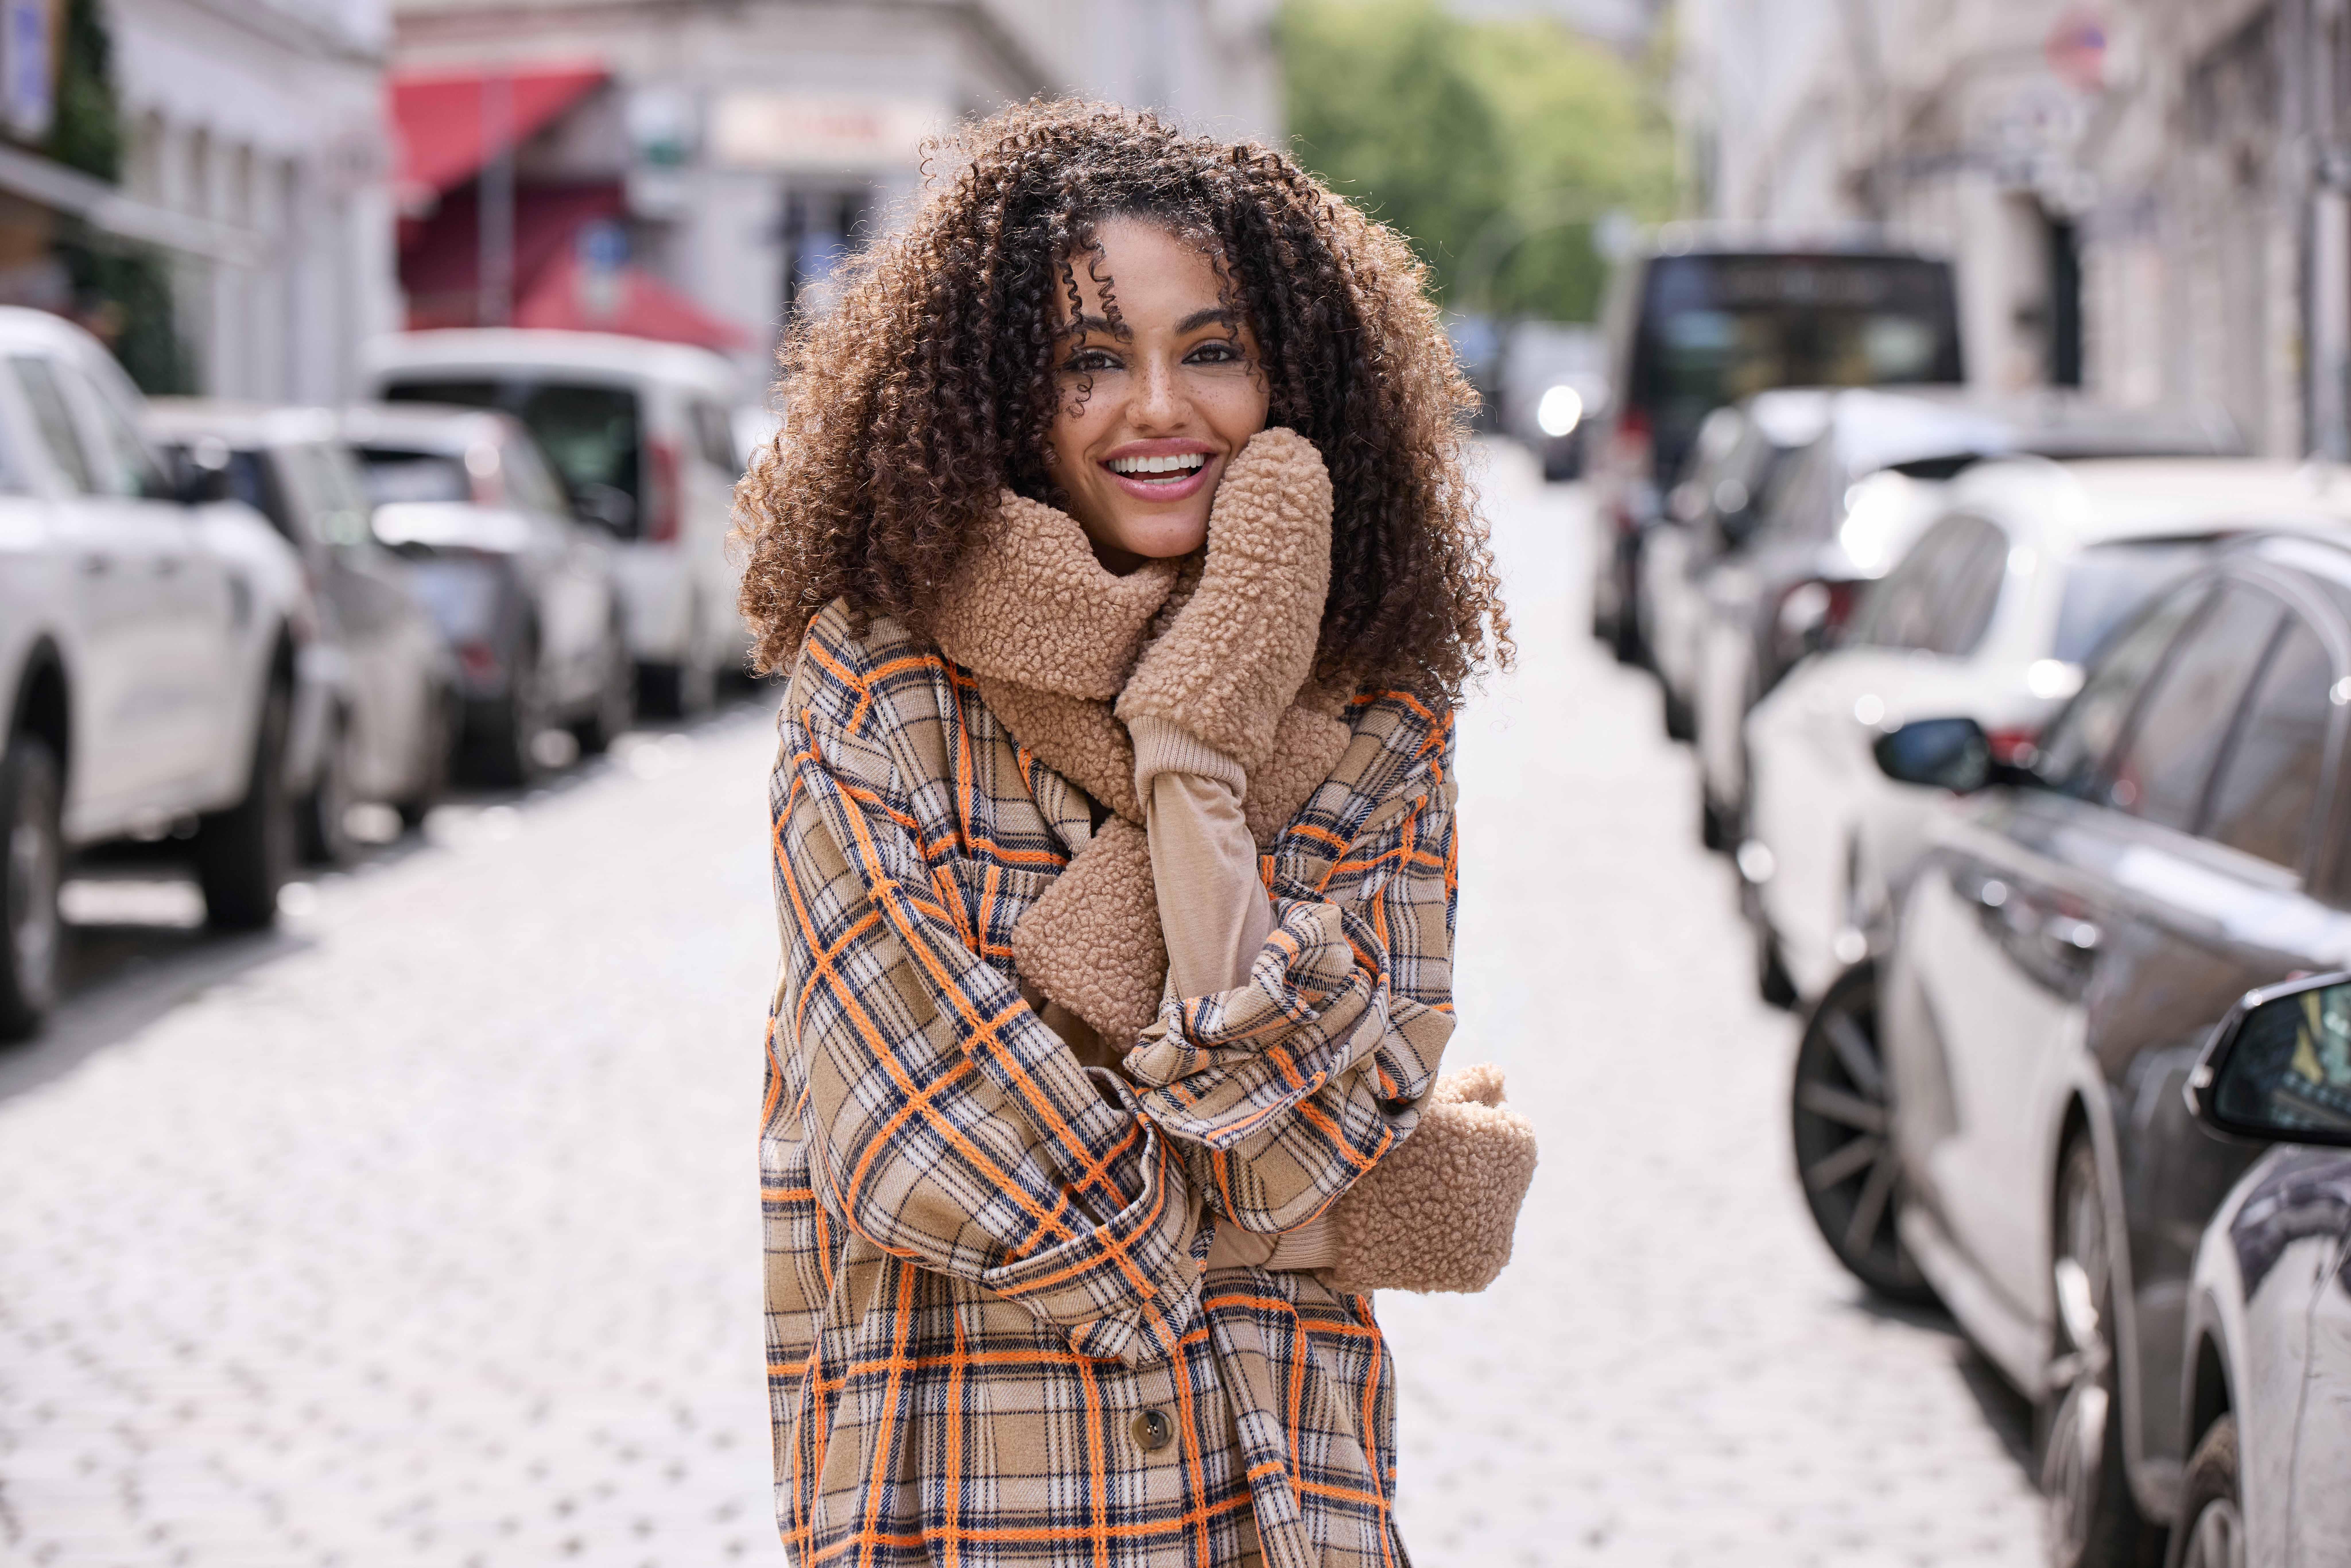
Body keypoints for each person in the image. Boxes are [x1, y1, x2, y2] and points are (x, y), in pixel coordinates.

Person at [734, 100, 1535, 1568]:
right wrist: (1313, 1219)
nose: (1157, 406)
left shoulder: (1376, 712)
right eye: (1088, 361)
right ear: (999, 396)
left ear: (1293, 379)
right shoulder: (880, 683)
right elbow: (918, 1143)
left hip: (1275, 1500)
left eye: (1212, 349)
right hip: (962, 1503)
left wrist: (1196, 762)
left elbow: (1319, 1146)